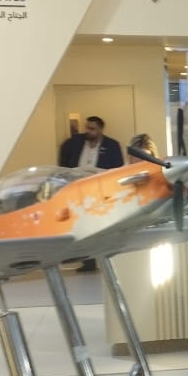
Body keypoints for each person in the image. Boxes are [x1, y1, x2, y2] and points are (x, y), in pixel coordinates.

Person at [58, 116, 124, 271]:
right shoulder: (74, 143)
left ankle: (101, 259)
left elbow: (118, 169)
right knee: (79, 225)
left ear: (100, 130)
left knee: (98, 226)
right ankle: (85, 259)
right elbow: (63, 161)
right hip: (77, 191)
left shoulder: (112, 146)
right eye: (87, 127)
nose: (88, 131)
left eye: (92, 129)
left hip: (100, 192)